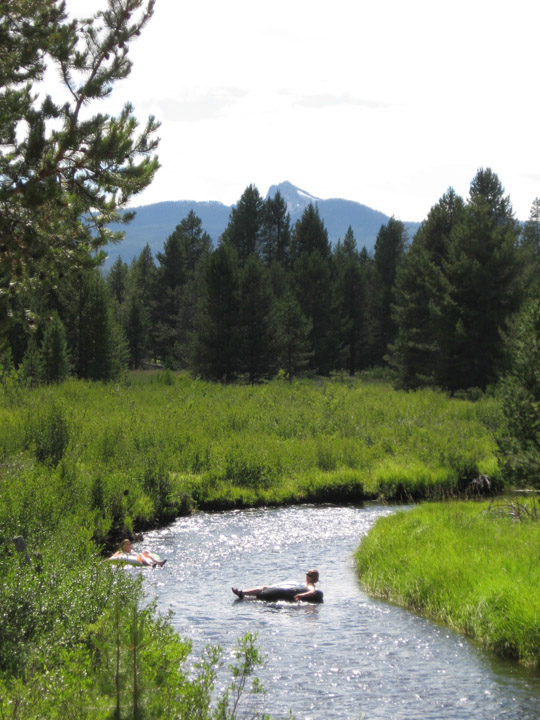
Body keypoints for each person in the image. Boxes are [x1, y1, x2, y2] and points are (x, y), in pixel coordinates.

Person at [232, 569, 321, 602]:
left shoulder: (310, 585)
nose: (306, 576)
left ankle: (242, 592)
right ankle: (242, 593)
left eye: (308, 575)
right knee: (265, 587)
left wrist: (302, 595)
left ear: (312, 578)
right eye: (306, 574)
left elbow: (312, 592)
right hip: (288, 591)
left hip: (290, 594)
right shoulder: (305, 583)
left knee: (264, 588)